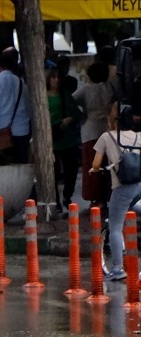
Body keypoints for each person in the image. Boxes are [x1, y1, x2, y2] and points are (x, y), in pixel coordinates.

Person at [90, 105, 141, 282]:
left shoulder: (107, 136)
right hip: (139, 186)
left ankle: (118, 269)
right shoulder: (139, 136)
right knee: (134, 206)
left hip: (122, 187)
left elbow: (96, 163)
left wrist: (94, 169)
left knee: (115, 226)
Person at [74, 61, 114, 209]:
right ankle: (106, 195)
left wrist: (81, 115)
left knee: (92, 165)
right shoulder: (109, 88)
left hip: (90, 130)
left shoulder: (85, 90)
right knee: (107, 166)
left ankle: (95, 198)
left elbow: (71, 101)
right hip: (107, 129)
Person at [47, 67, 82, 209]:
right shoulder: (43, 96)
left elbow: (77, 114)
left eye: (58, 77)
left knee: (71, 169)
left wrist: (69, 119)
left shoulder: (66, 96)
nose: (56, 80)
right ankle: (55, 200)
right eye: (53, 77)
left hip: (67, 138)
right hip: (51, 139)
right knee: (52, 172)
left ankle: (67, 196)